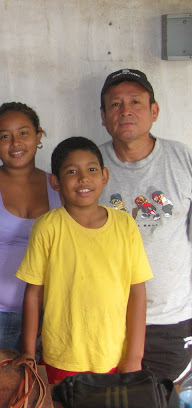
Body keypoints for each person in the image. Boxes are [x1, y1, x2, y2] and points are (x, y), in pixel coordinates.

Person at [14, 136, 153, 384]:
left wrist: (134, 356)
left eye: (91, 169)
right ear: (55, 182)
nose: (83, 178)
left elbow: (137, 293)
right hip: (62, 357)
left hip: (113, 356)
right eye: (71, 171)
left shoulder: (125, 225)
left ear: (104, 176)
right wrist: (27, 351)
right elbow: (33, 294)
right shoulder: (47, 227)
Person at [98, 68, 192, 381]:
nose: (125, 111)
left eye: (135, 102)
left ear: (154, 111)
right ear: (103, 116)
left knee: (160, 397)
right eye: (115, 104)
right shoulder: (89, 166)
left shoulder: (182, 160)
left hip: (171, 320)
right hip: (107, 317)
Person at [0, 102, 61, 359]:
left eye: (24, 133)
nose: (15, 143)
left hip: (46, 312)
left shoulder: (58, 185)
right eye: (5, 136)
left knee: (37, 383)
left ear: (38, 136)